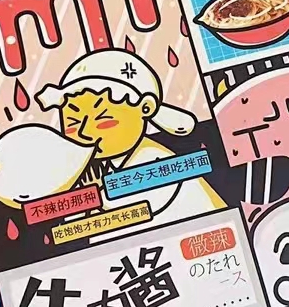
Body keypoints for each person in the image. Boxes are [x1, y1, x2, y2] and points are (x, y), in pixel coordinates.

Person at [33, 50, 222, 227]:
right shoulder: (89, 167)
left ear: (145, 109)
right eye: (73, 123)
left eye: (103, 120)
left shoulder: (154, 158)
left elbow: (138, 203)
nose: (85, 133)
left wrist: (95, 194)